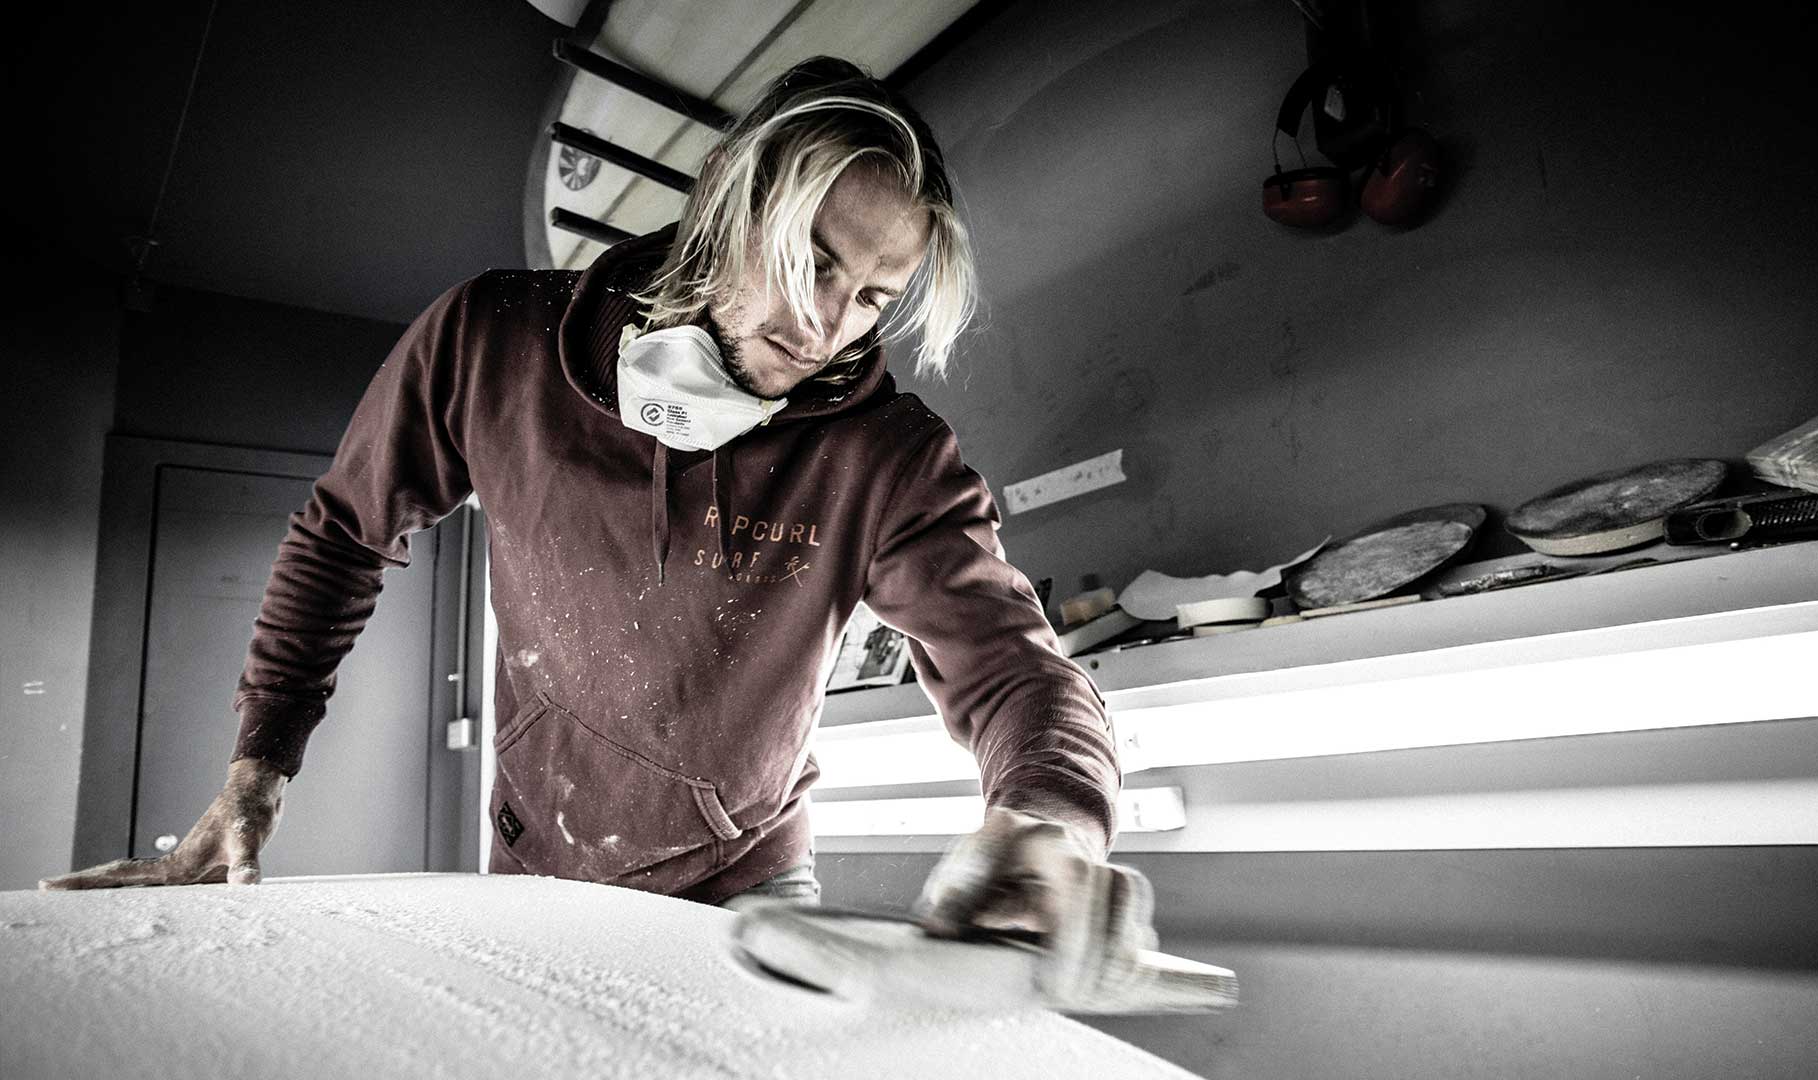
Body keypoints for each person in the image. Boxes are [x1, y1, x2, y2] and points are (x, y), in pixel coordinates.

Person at [42, 56, 1153, 1000]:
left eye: (872, 295)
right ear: (726, 191)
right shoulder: (492, 343)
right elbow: (342, 536)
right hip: (536, 867)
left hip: (749, 887)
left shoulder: (886, 456)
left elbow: (1014, 668)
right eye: (813, 258)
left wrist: (1054, 819)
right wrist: (255, 777)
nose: (826, 325)